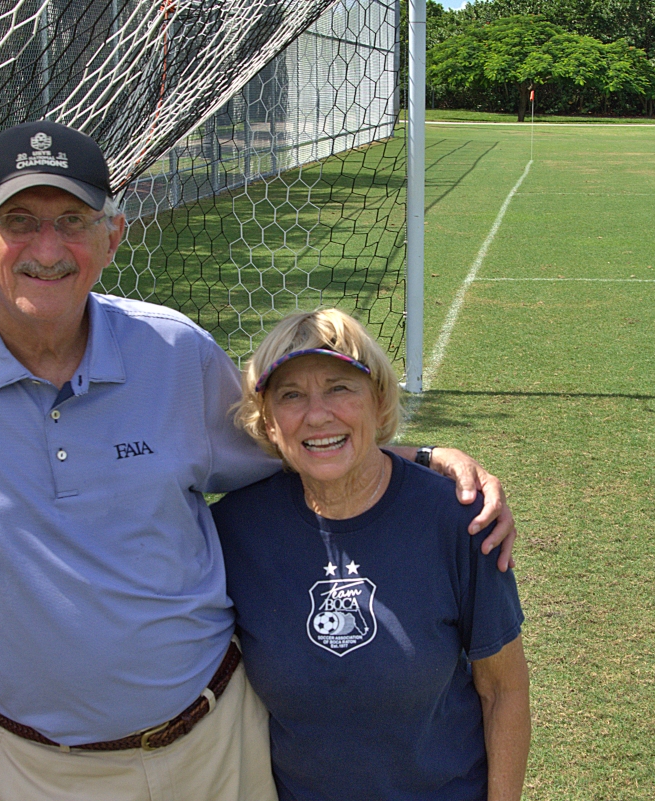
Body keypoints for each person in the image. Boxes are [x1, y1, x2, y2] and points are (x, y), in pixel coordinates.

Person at [0, 120, 518, 801]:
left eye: (74, 220)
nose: (48, 248)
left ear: (112, 237)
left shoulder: (173, 352)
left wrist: (426, 456)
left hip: (216, 745)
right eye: (19, 220)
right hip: (43, 768)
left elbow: (288, 443)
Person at [212, 309, 531, 801]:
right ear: (269, 424)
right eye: (291, 395)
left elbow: (503, 692)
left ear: (379, 401)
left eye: (340, 387)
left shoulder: (457, 521)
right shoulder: (234, 530)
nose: (317, 414)